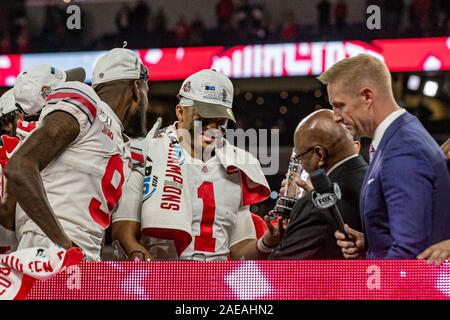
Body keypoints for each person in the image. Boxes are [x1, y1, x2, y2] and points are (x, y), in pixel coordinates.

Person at [112, 69, 284, 261]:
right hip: (161, 280)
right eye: (203, 120)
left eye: (220, 122)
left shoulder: (236, 167)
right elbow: (124, 232)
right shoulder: (148, 153)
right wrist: (148, 269)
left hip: (214, 284)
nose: (212, 129)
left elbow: (239, 249)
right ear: (180, 112)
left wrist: (267, 241)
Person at [4, 49, 149, 260]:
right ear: (136, 87)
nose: (149, 103)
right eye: (147, 90)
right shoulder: (85, 101)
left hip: (81, 258)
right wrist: (63, 244)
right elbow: (20, 167)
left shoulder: (120, 142)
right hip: (49, 253)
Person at [318, 54, 450, 259]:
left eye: (339, 105)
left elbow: (408, 253)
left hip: (408, 289)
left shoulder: (403, 151)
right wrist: (372, 244)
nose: (335, 116)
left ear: (367, 96)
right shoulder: (401, 134)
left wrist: (374, 290)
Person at [269, 109, 367, 259]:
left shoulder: (314, 205)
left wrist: (268, 243)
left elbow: (277, 272)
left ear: (320, 154)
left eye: (301, 157)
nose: (301, 165)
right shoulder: (379, 181)